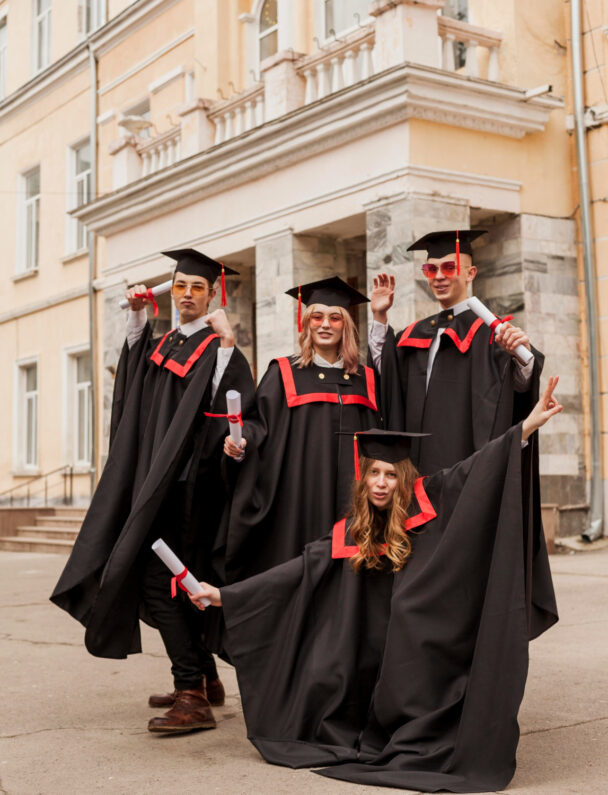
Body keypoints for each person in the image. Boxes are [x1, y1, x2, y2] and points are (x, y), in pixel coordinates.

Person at [190, 377, 562, 793]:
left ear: (403, 477)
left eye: (390, 474)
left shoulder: (432, 496)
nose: (382, 482)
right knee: (325, 668)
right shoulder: (354, 529)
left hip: (421, 641)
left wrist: (527, 426)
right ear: (363, 479)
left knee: (412, 624)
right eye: (374, 474)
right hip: (369, 646)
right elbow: (301, 569)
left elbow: (478, 468)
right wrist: (224, 595)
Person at [51, 248, 255, 734]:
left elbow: (229, 408)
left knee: (158, 580)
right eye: (180, 285)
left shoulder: (216, 346)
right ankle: (204, 679)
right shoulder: (165, 343)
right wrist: (139, 315)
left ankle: (191, 692)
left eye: (197, 288)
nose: (187, 295)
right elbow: (134, 390)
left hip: (189, 488)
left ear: (212, 295)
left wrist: (227, 340)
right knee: (177, 581)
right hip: (155, 483)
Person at [220, 276, 380, 583]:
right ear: (306, 323)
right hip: (298, 496)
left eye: (335, 318)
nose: (325, 324)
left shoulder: (366, 379)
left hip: (353, 498)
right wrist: (240, 443)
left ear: (346, 325)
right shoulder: (283, 372)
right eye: (317, 317)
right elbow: (258, 425)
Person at [369, 230, 544, 474]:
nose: (439, 276)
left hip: (464, 470)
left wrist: (521, 361)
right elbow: (387, 379)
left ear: (470, 273)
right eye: (431, 269)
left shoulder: (492, 331)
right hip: (414, 471)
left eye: (449, 267)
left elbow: (516, 393)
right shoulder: (415, 333)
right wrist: (379, 317)